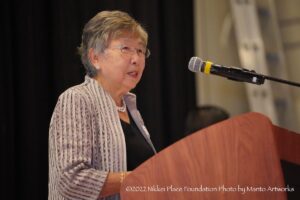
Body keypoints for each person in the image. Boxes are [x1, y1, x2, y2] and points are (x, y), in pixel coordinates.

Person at [48, 10, 156, 200]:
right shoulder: (77, 99)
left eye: (140, 50)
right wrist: (137, 178)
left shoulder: (130, 107)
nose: (136, 58)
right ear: (95, 58)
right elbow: (71, 180)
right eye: (126, 49)